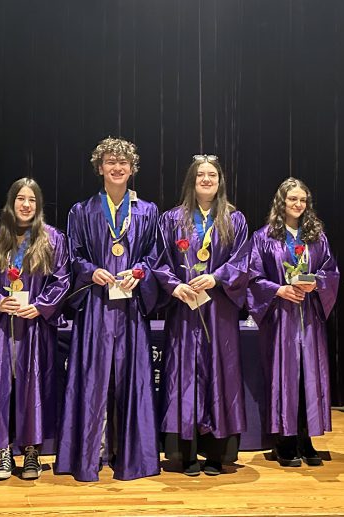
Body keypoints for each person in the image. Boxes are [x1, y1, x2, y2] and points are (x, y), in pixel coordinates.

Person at [55, 137, 161, 482]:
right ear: (99, 167)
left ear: (132, 169)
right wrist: (90, 271)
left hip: (131, 308)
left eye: (123, 163)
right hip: (97, 308)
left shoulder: (147, 211)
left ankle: (131, 457)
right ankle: (89, 455)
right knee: (92, 381)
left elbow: (154, 255)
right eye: (111, 162)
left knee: (133, 381)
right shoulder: (81, 211)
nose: (117, 168)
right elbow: (72, 255)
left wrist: (139, 271)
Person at [153, 155, 249, 476]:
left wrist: (217, 277)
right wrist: (174, 286)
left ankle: (215, 454)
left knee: (220, 375)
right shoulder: (171, 220)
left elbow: (242, 261)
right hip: (185, 311)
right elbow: (159, 261)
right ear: (191, 181)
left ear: (220, 181)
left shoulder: (234, 220)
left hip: (218, 309)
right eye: (200, 175)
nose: (206, 180)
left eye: (212, 175)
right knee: (185, 375)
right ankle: (187, 452)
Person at [0, 177, 71, 481]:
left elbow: (62, 280)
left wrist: (40, 305)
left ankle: (31, 453)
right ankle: (3, 452)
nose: (26, 205)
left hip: (35, 328)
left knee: (34, 389)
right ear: (11, 203)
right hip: (2, 327)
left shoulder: (53, 240)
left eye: (31, 200)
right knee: (1, 388)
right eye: (20, 199)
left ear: (38, 205)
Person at [247, 177, 340, 467]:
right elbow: (251, 276)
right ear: (281, 203)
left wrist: (318, 283)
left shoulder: (316, 237)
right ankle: (283, 441)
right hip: (280, 318)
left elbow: (331, 271)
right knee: (283, 376)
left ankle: (305, 437)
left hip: (309, 317)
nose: (298, 205)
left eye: (302, 200)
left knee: (308, 377)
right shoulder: (264, 237)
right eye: (292, 200)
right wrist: (278, 289)